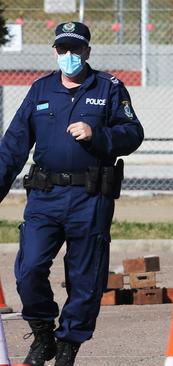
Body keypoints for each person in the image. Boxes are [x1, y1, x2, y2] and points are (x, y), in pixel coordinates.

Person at [0, 22, 144, 366]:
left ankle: (68, 345)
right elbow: (14, 145)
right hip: (45, 197)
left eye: (75, 50)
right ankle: (42, 332)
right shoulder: (40, 90)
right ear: (55, 52)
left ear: (88, 52)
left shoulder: (109, 88)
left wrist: (98, 134)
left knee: (85, 277)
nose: (69, 56)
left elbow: (132, 132)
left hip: (90, 198)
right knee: (29, 268)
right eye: (63, 50)